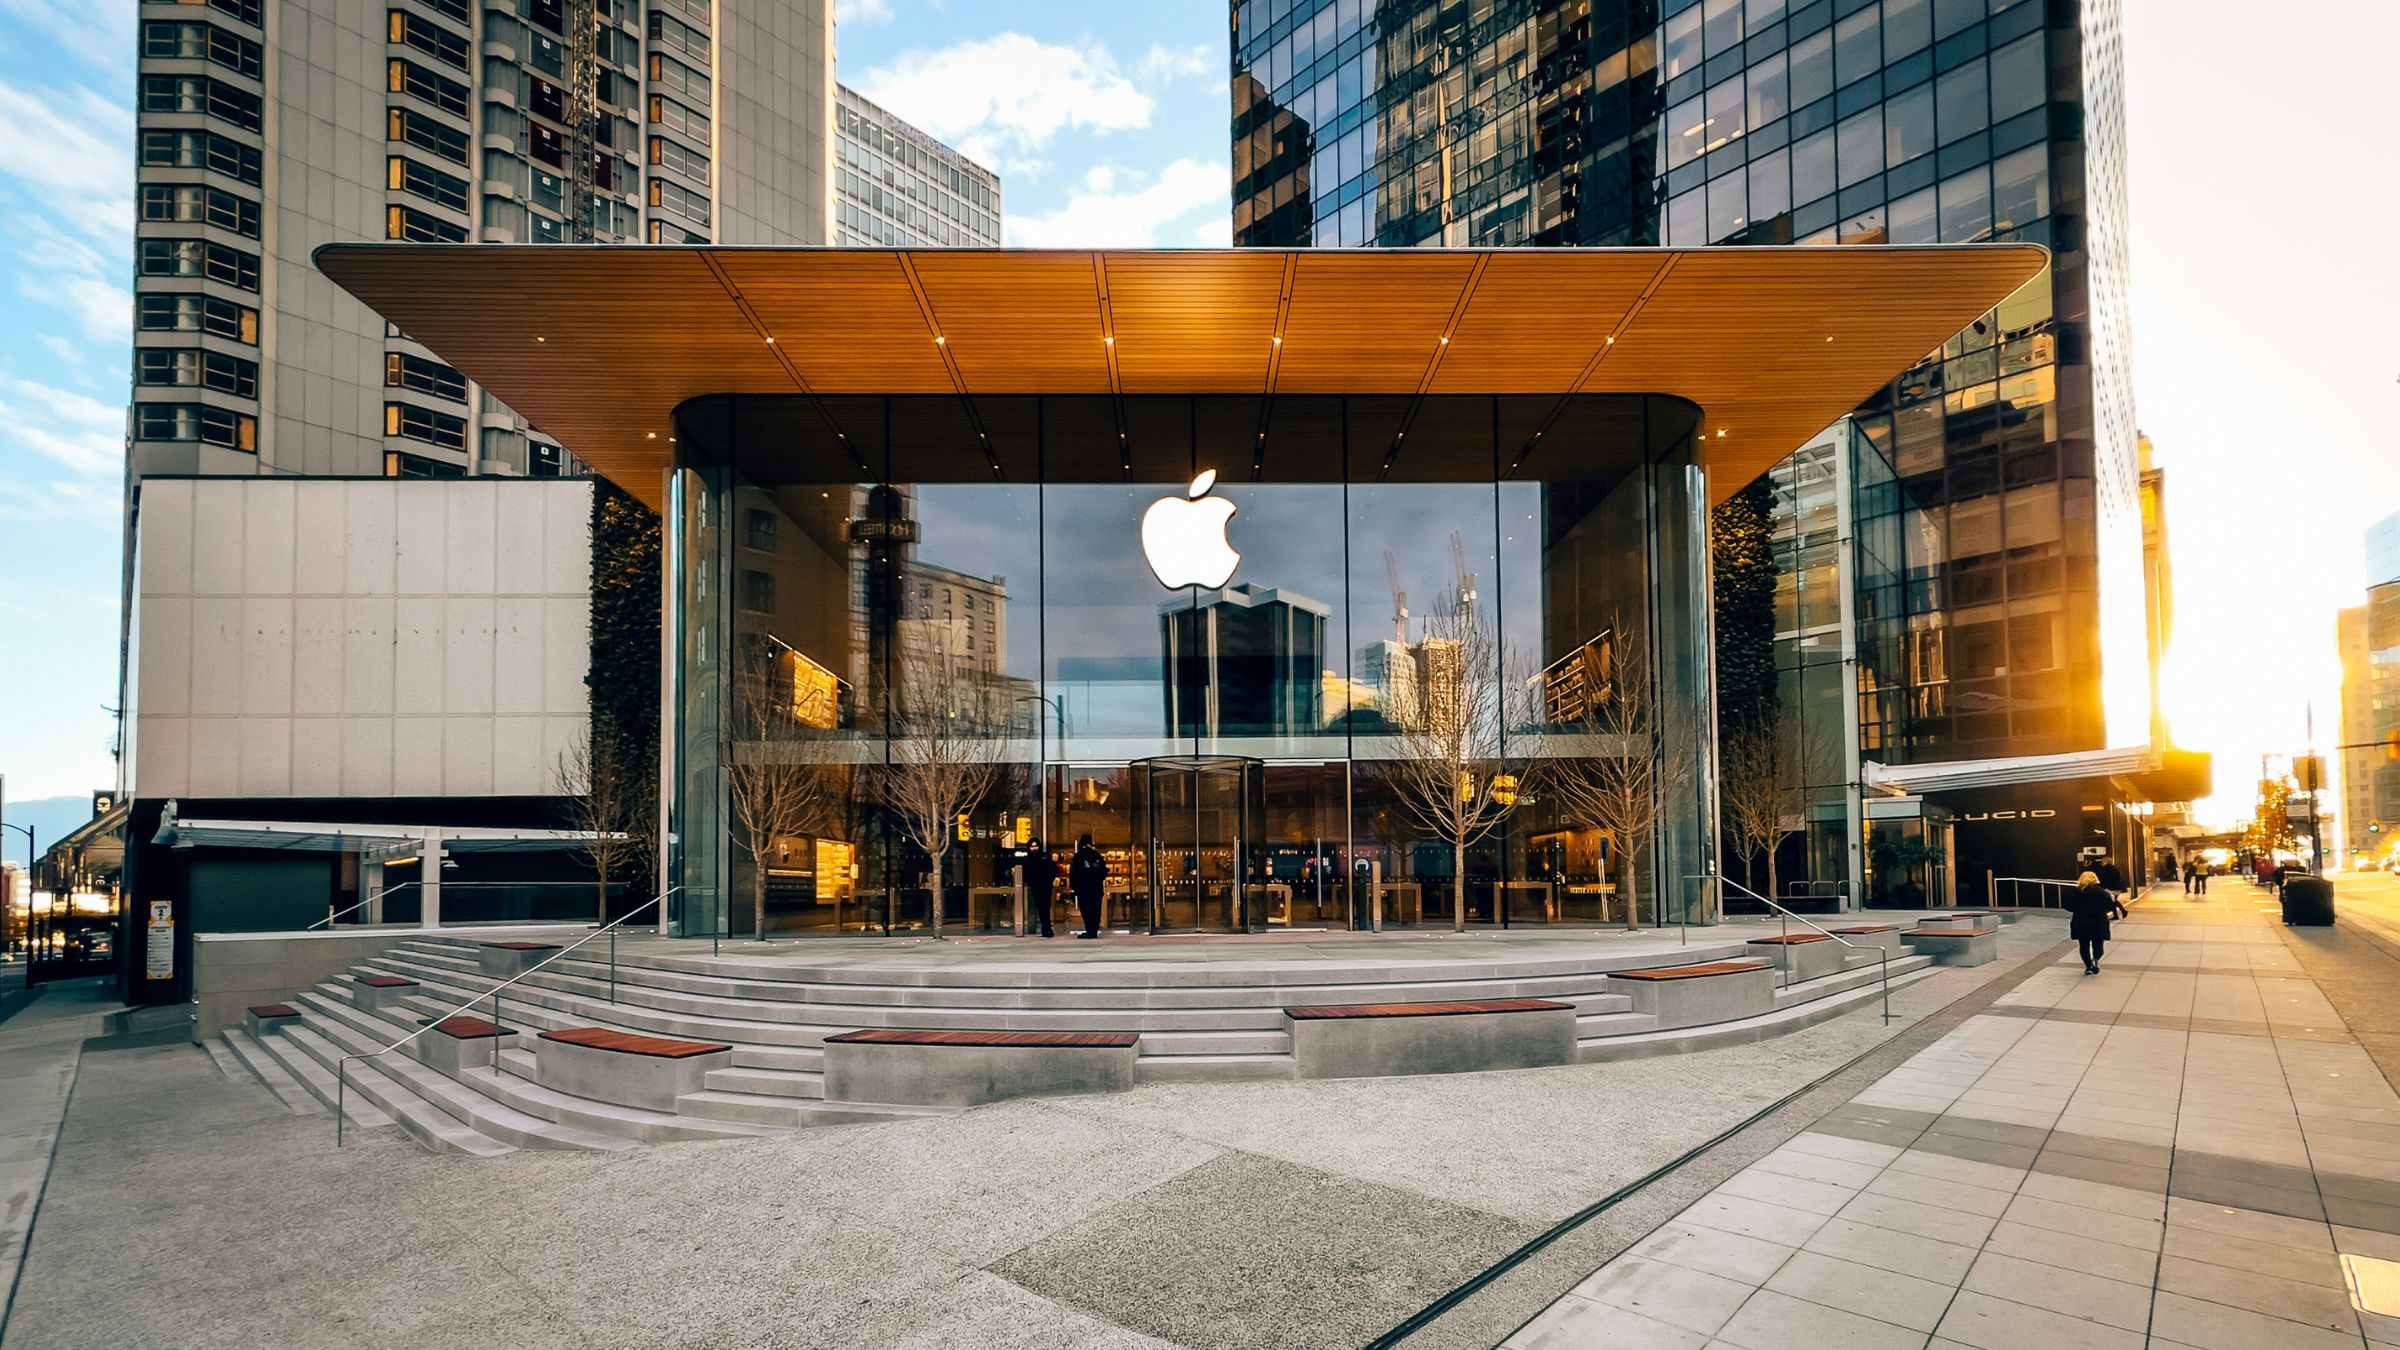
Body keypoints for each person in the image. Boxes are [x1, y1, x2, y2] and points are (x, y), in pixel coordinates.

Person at [2067, 869, 2129, 975]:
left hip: (2081, 921)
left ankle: (2088, 966)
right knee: (2098, 944)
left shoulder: (2075, 892)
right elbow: (2110, 906)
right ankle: (2095, 959)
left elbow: (2068, 905)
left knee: (2083, 945)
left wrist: (2078, 909)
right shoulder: (2102, 892)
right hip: (2099, 921)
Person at [1069, 833, 1109, 939]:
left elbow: (1073, 873)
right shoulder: (1097, 856)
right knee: (1095, 910)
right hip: (1096, 888)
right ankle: (1093, 930)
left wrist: (1074, 888)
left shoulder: (1078, 856)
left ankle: (1090, 930)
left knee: (1086, 910)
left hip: (1083, 889)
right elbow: (1104, 871)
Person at [1018, 842, 1060, 938]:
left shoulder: (1045, 858)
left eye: (1036, 846)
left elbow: (1053, 869)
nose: (1034, 848)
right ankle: (1045, 928)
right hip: (1034, 887)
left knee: (1044, 907)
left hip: (1045, 886)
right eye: (1032, 846)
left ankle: (1047, 928)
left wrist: (1048, 880)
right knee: (1040, 907)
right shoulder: (1026, 860)